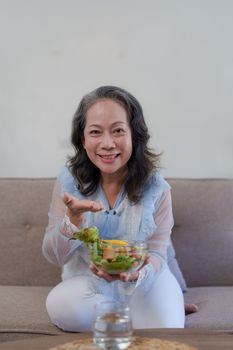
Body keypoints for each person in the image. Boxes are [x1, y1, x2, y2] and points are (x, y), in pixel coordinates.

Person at [42, 85, 194, 332]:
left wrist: (139, 276)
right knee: (59, 305)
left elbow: (157, 253)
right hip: (88, 284)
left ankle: (140, 313)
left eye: (118, 131)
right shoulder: (68, 183)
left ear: (134, 135)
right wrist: (73, 220)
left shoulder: (157, 188)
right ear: (83, 139)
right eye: (95, 132)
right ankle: (136, 317)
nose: (107, 143)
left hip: (144, 282)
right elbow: (54, 256)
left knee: (165, 325)